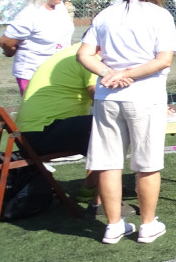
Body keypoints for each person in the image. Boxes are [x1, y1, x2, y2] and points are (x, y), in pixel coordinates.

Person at [77, 0, 176, 244]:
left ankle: (113, 225)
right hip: (145, 98)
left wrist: (107, 73)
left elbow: (83, 55)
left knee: (108, 163)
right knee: (147, 164)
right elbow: (163, 59)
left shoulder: (106, 14)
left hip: (107, 98)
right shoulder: (161, 16)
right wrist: (126, 75)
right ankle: (147, 224)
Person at [15, 41, 134, 216]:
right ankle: (100, 202)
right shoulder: (91, 59)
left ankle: (93, 188)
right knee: (110, 127)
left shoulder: (73, 52)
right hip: (41, 132)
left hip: (31, 133)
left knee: (98, 127)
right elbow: (100, 95)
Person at [0, 0, 74, 95]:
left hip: (56, 72)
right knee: (39, 111)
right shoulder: (30, 14)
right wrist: (9, 51)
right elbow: (5, 41)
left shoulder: (59, 7)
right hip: (33, 73)